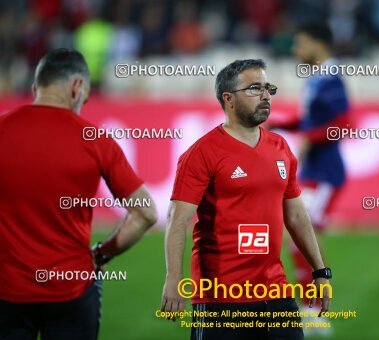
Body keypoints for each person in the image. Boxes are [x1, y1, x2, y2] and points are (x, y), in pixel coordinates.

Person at [160, 59, 332, 340]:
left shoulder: (280, 147)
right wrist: (173, 279)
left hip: (275, 292)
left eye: (267, 88)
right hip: (221, 297)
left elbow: (297, 216)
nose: (266, 96)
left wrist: (320, 271)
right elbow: (177, 219)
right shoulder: (202, 153)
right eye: (255, 88)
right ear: (228, 98)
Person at [0, 49, 157, 340]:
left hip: (6, 292)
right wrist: (101, 254)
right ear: (77, 88)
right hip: (70, 291)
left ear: (36, 88)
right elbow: (146, 213)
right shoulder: (95, 140)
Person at [271, 23, 349, 319]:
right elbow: (311, 120)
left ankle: (315, 310)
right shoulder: (318, 78)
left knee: (304, 238)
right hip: (314, 172)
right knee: (300, 237)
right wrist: (284, 124)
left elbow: (344, 125)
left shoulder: (330, 78)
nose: (295, 50)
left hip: (325, 173)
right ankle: (312, 306)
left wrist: (306, 139)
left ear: (318, 44)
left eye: (300, 43)